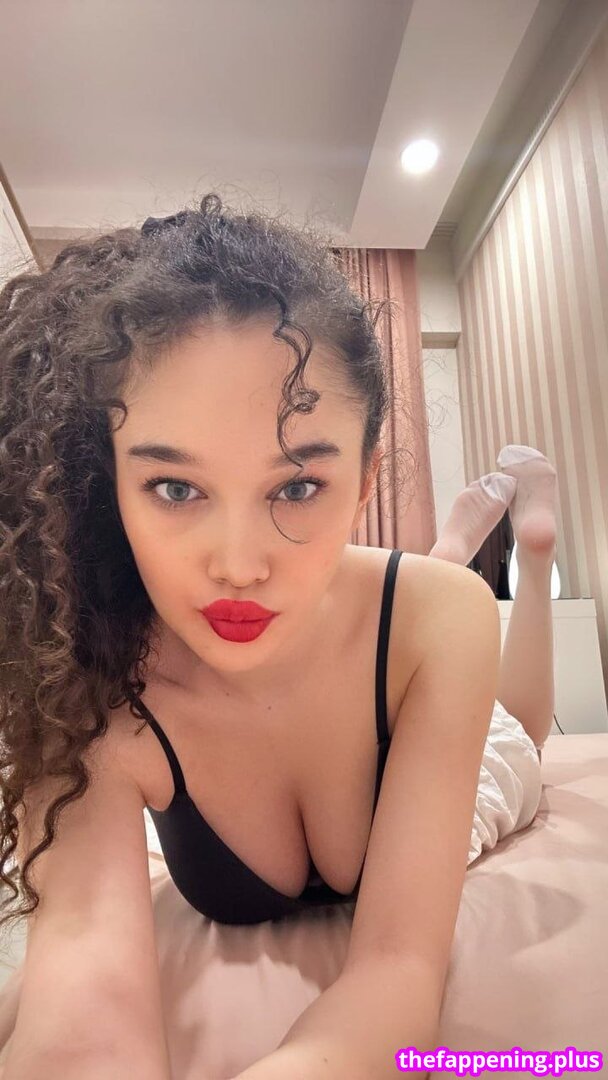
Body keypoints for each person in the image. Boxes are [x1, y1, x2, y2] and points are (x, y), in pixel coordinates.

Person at [0, 193, 555, 1079]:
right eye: (175, 489)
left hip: (432, 694)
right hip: (372, 623)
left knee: (516, 731)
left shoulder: (440, 621)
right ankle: (443, 540)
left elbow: (400, 967)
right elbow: (82, 1006)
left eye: (297, 487)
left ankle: (529, 545)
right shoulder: (88, 681)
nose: (238, 566)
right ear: (110, 484)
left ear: (366, 478)